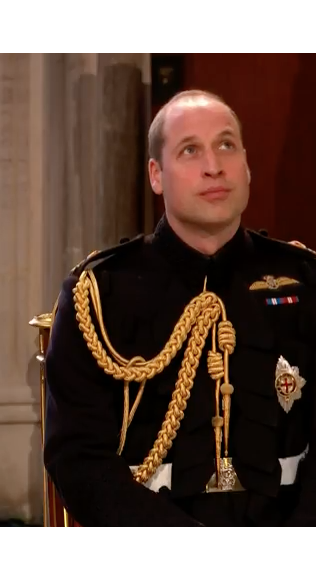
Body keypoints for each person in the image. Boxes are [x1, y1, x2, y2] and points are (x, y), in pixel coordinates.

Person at [43, 89, 316, 527]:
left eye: (226, 145)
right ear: (156, 174)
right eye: (190, 150)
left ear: (247, 166)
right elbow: (78, 458)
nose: (214, 166)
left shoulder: (306, 283)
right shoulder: (99, 294)